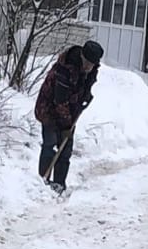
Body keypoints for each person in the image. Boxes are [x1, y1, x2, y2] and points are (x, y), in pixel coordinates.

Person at [35, 39, 102, 191]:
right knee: (50, 144)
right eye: (86, 63)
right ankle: (42, 183)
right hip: (48, 108)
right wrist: (66, 123)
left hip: (69, 112)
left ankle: (59, 184)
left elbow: (82, 89)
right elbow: (60, 100)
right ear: (81, 57)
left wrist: (85, 97)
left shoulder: (90, 71)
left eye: (91, 65)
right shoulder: (66, 69)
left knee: (65, 149)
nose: (87, 67)